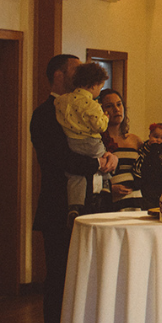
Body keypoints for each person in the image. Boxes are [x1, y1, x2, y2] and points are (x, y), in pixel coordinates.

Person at [31, 53, 116, 323]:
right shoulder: (44, 113)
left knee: (92, 280)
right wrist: (96, 163)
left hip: (94, 203)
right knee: (60, 281)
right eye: (75, 71)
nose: (81, 75)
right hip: (58, 209)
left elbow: (98, 140)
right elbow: (56, 160)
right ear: (58, 76)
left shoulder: (83, 104)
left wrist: (109, 159)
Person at [54, 61, 110, 213]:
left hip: (73, 141)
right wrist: (105, 117)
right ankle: (105, 187)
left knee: (75, 176)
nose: (100, 90)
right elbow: (100, 126)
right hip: (91, 141)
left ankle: (75, 205)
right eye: (100, 87)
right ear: (93, 85)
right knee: (103, 163)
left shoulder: (62, 100)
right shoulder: (92, 105)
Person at [99, 88, 144, 210]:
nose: (116, 109)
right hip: (110, 201)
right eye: (109, 106)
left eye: (119, 104)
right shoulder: (98, 141)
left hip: (135, 199)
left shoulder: (134, 140)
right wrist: (109, 188)